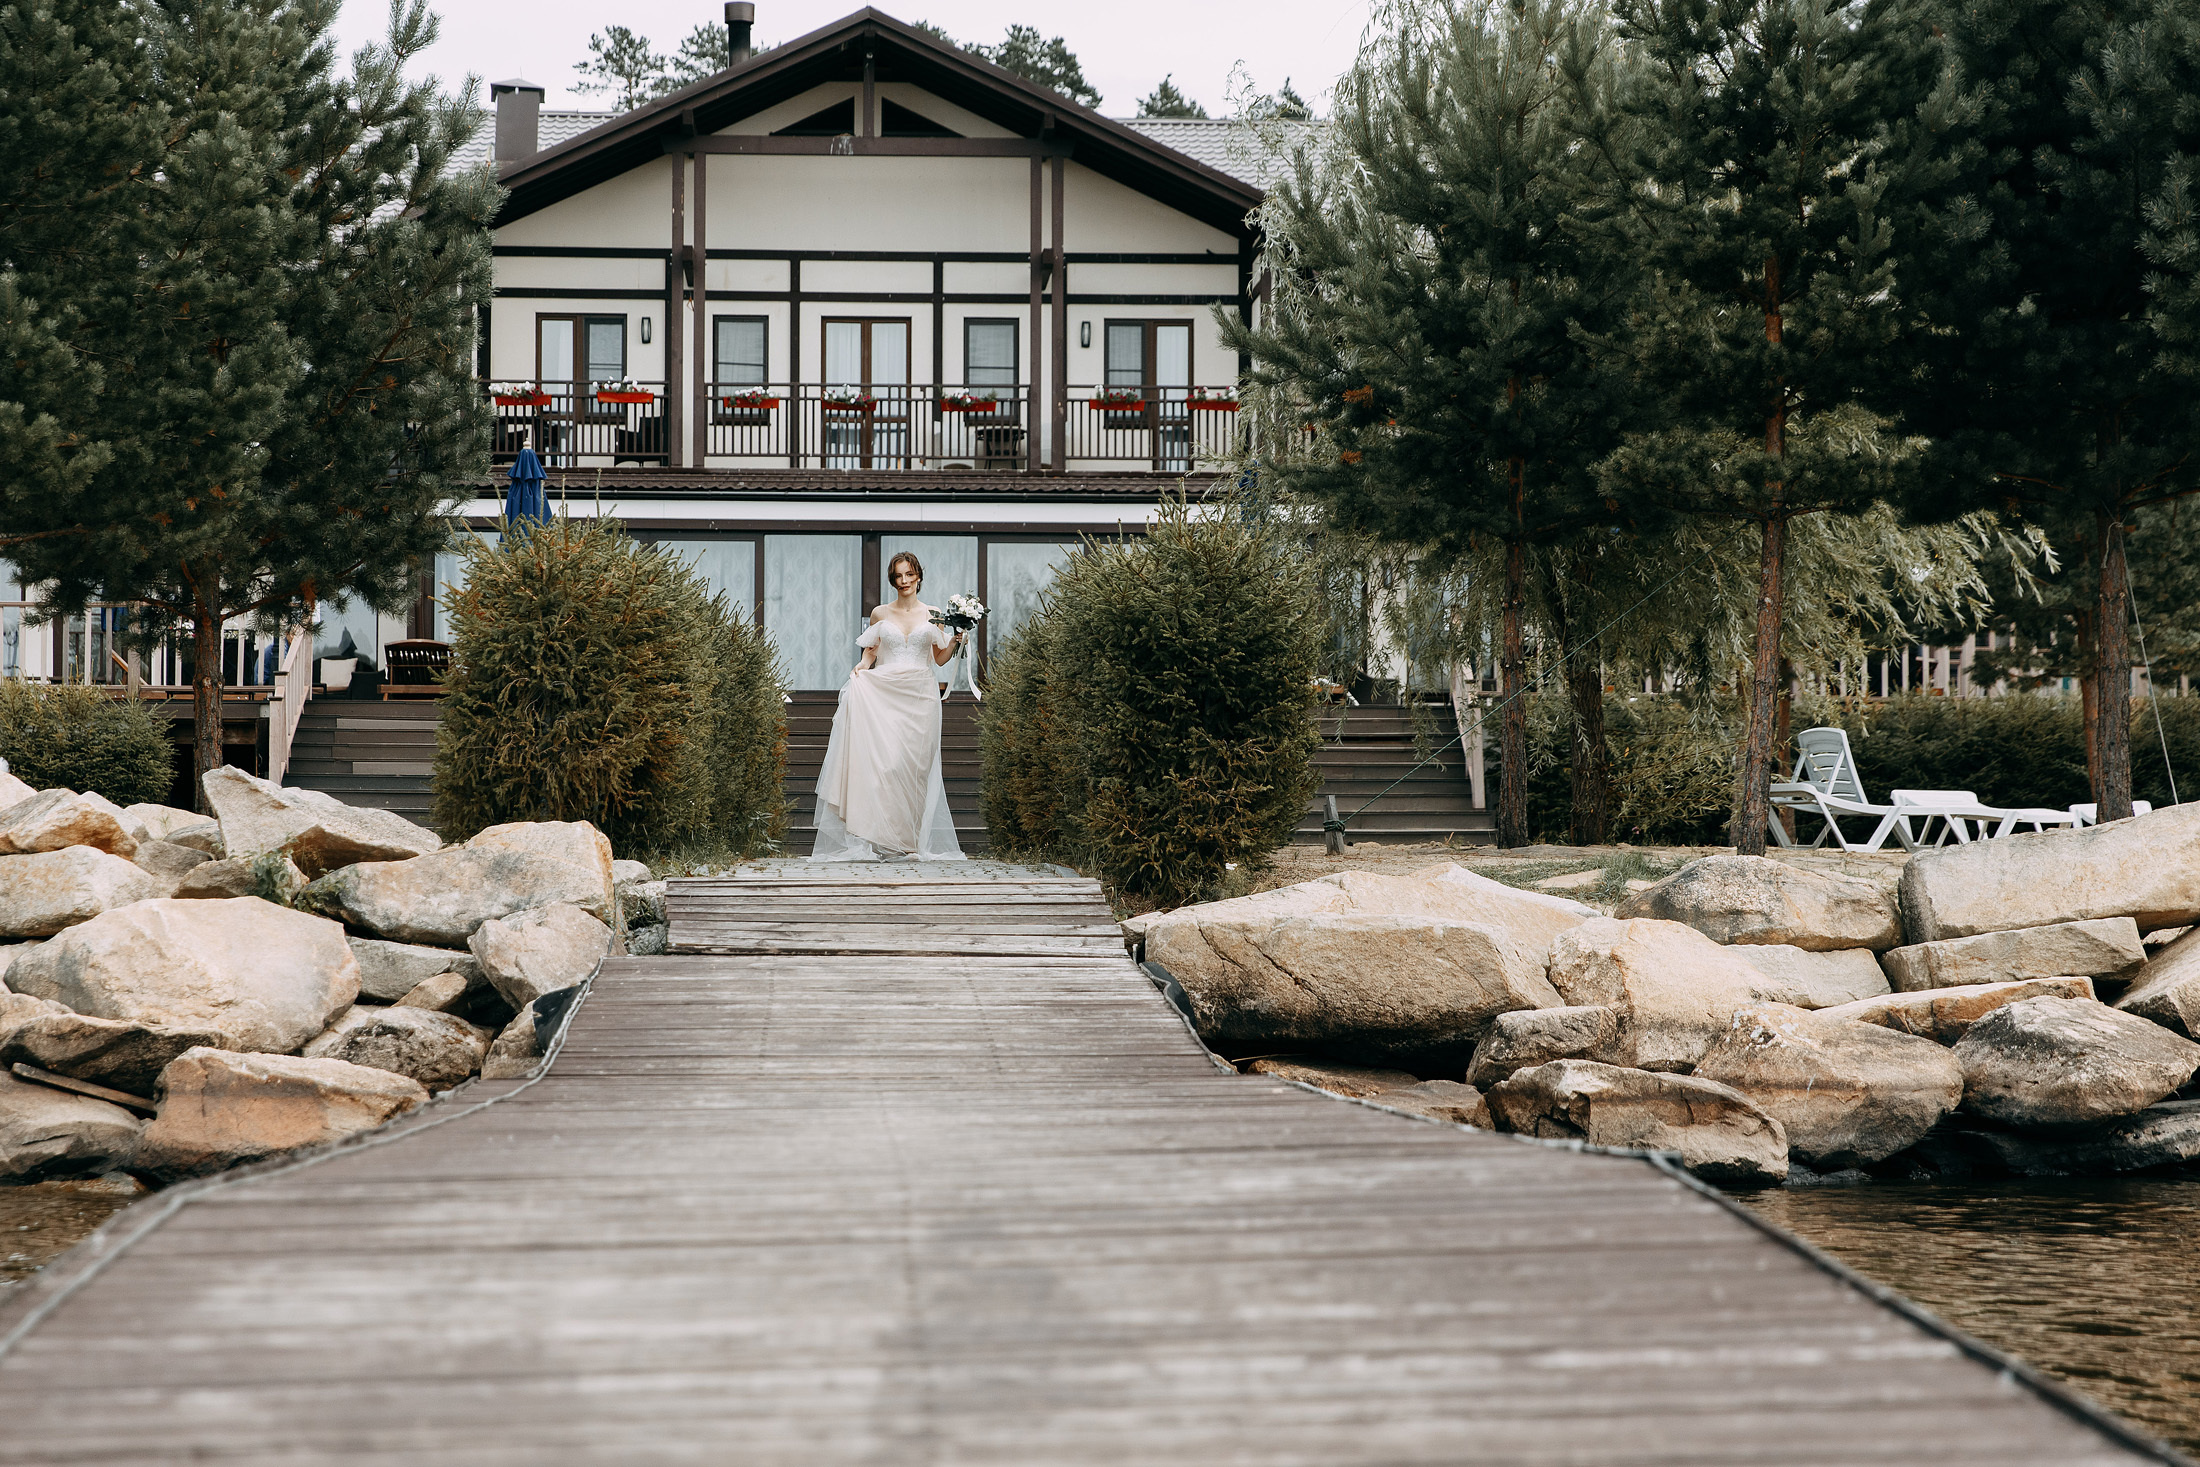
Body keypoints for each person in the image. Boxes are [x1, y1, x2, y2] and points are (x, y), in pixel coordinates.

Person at [808, 551, 967, 861]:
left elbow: (939, 658)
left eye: (909, 574)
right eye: (898, 576)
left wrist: (956, 640)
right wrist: (862, 667)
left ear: (919, 576)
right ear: (892, 579)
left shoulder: (933, 614)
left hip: (921, 696)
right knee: (886, 765)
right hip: (884, 693)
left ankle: (908, 841)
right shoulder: (880, 613)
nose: (904, 581)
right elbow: (871, 651)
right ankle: (883, 837)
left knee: (915, 769)